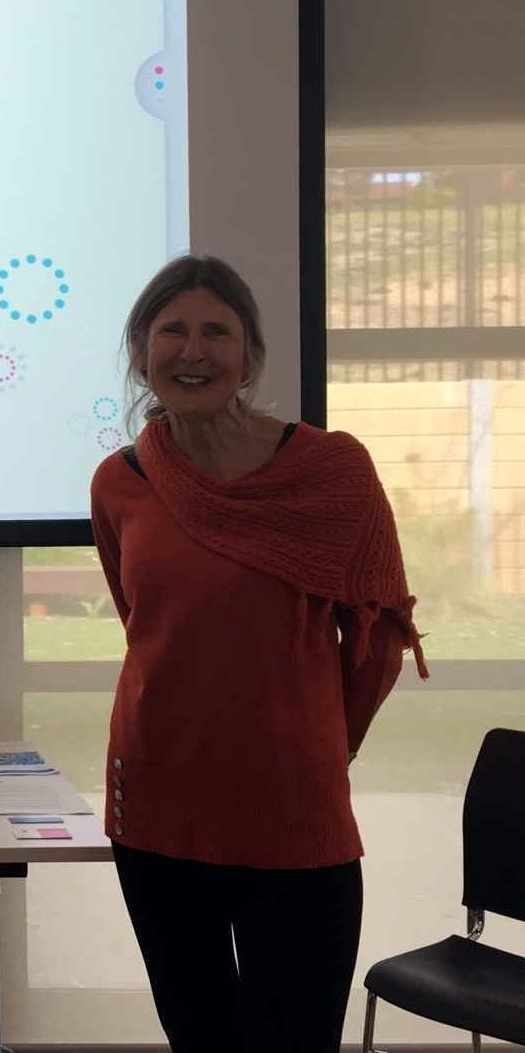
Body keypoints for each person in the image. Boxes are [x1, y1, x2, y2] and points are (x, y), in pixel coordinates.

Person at [89, 254, 428, 1053]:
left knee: (296, 1038)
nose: (193, 350)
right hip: (158, 802)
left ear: (250, 356)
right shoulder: (120, 480)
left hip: (293, 802)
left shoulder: (332, 469)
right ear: (142, 351)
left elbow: (376, 635)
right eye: (172, 331)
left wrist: (320, 743)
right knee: (199, 1033)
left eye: (217, 331)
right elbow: (142, 619)